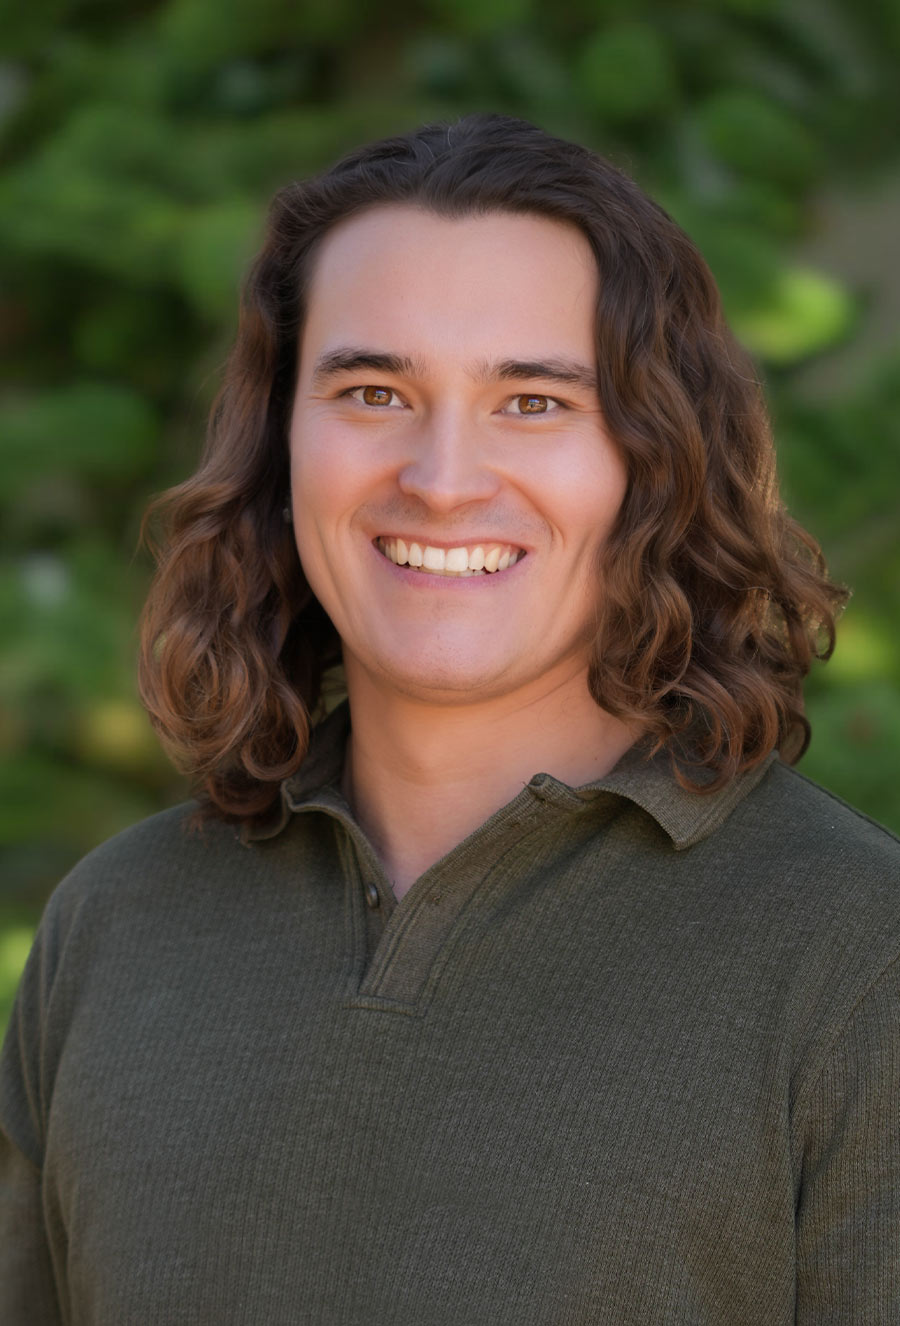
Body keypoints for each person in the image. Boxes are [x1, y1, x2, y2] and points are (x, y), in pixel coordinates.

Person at [1, 113, 898, 1325]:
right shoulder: (115, 929)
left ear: (658, 459)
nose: (440, 476)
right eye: (374, 390)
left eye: (533, 402)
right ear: (281, 442)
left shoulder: (857, 960)